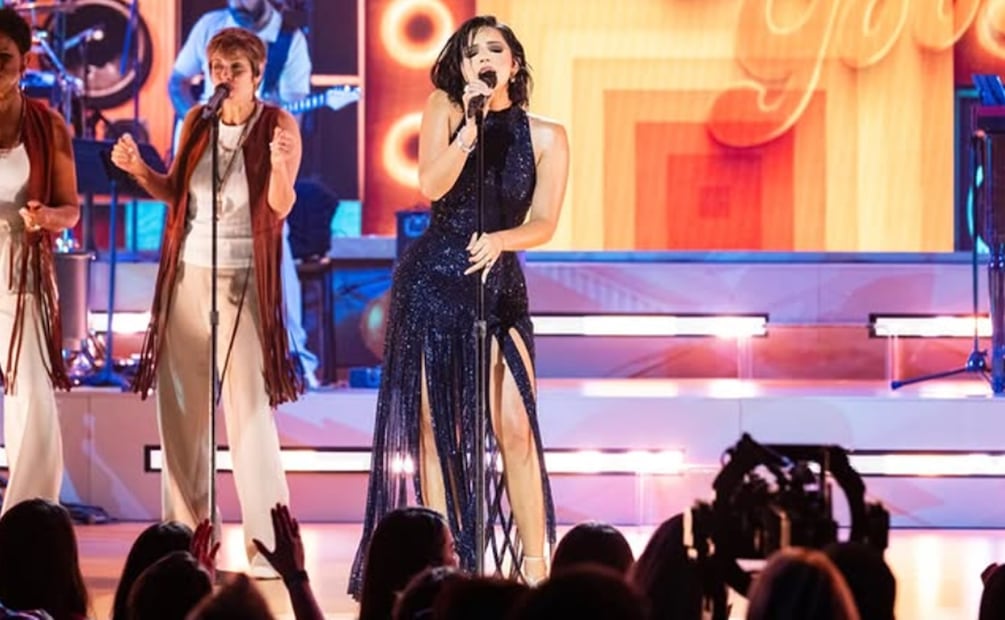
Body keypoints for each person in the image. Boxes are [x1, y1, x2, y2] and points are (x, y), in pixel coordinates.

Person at [349, 15, 568, 593]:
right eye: (472, 53)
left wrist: (502, 240)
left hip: (499, 288)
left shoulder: (548, 136)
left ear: (513, 64)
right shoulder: (445, 110)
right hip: (434, 283)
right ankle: (444, 569)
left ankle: (536, 570)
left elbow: (545, 221)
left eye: (495, 50)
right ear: (461, 67)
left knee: (515, 426)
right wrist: (468, 131)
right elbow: (432, 185)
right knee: (436, 430)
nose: (484, 59)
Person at [111, 26, 302, 578]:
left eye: (235, 69)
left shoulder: (278, 124)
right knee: (180, 411)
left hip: (244, 280)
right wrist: (139, 171)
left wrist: (281, 166)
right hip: (188, 277)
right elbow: (175, 192)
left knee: (249, 412)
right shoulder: (196, 120)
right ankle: (188, 539)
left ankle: (269, 547)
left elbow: (280, 206)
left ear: (257, 75)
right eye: (217, 67)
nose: (223, 76)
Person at [169, 0, 320, 388]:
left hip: (257, 159)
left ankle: (291, 355)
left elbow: (295, 113)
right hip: (209, 152)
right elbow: (177, 81)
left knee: (274, 244)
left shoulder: (288, 40)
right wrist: (196, 125)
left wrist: (270, 142)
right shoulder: (211, 24)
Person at [0, 7, 78, 514]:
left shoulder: (48, 126)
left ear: (24, 62)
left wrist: (47, 217)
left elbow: (71, 210)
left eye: (2, 58)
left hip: (22, 267)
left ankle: (28, 519)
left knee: (31, 392)